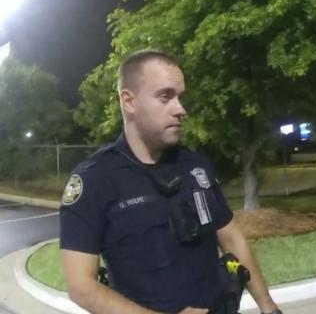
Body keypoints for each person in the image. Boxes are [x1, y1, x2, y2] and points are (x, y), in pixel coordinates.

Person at [59, 50, 282, 314]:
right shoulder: (94, 180)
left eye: (180, 97)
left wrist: (269, 308)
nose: (180, 109)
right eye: (165, 96)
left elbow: (231, 238)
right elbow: (80, 286)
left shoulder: (195, 165)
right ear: (129, 101)